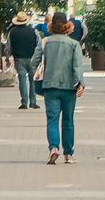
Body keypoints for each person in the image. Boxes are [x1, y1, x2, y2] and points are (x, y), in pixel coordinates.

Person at [32, 12, 86, 165]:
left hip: (50, 86)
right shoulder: (74, 44)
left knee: (52, 120)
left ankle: (54, 148)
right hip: (70, 87)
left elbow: (34, 61)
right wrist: (81, 83)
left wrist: (42, 70)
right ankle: (68, 154)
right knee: (68, 121)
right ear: (68, 26)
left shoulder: (45, 42)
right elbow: (77, 67)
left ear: (51, 26)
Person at [6, 11, 41, 109]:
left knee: (22, 80)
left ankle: (24, 102)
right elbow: (39, 45)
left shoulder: (12, 32)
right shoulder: (34, 31)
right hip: (32, 58)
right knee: (32, 80)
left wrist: (8, 57)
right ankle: (33, 102)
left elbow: (9, 46)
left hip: (19, 59)